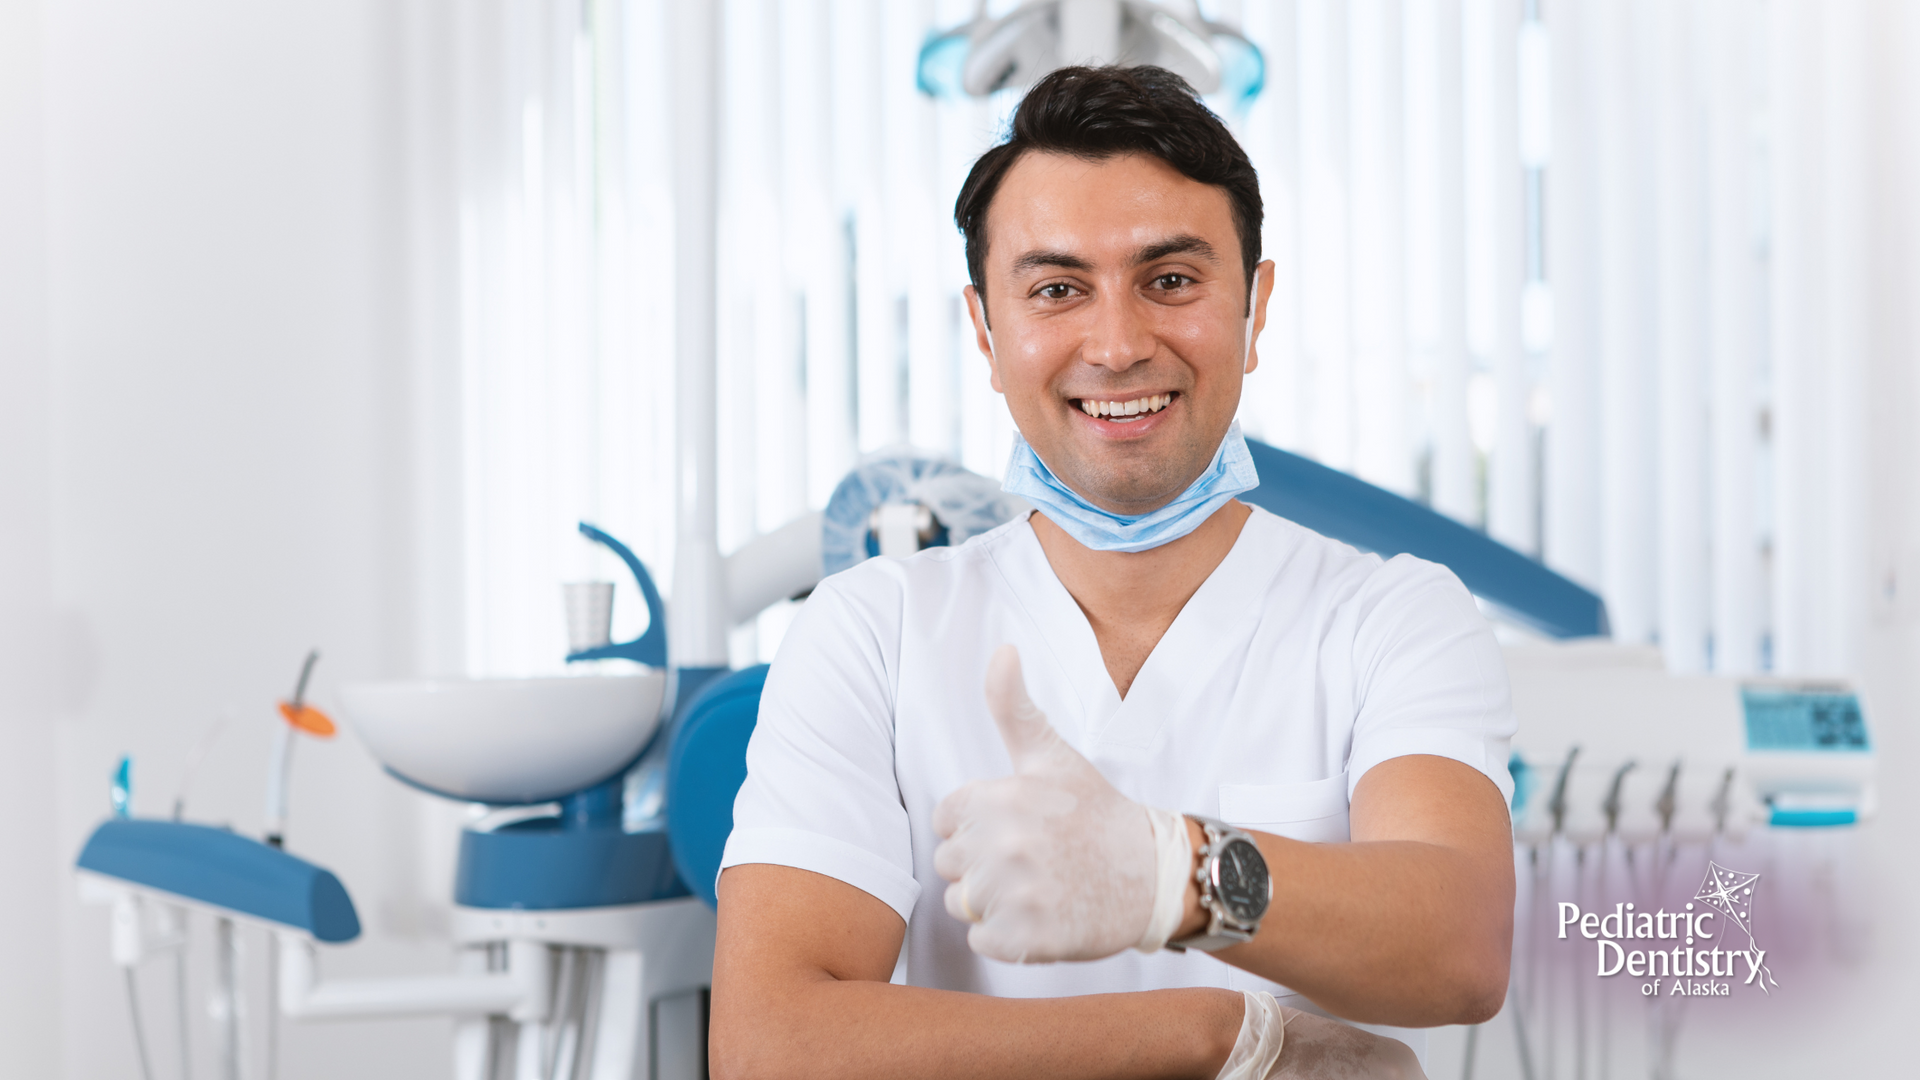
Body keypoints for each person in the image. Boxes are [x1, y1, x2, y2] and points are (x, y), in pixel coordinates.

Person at [709, 65, 1515, 1080]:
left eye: (1171, 281)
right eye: (1056, 289)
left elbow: (1460, 946)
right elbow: (770, 1046)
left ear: (1254, 308)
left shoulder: (1393, 617)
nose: (1119, 343)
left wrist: (1163, 869)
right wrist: (1216, 1030)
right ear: (985, 331)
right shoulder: (875, 631)